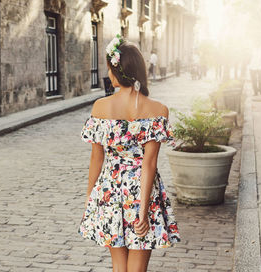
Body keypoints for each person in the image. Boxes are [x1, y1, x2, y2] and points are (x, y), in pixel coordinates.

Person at [78, 35, 181, 272]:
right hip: (142, 191)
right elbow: (149, 165)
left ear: (116, 71)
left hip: (110, 189)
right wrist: (142, 211)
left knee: (118, 266)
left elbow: (97, 159)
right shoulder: (158, 110)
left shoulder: (100, 107)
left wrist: (90, 198)